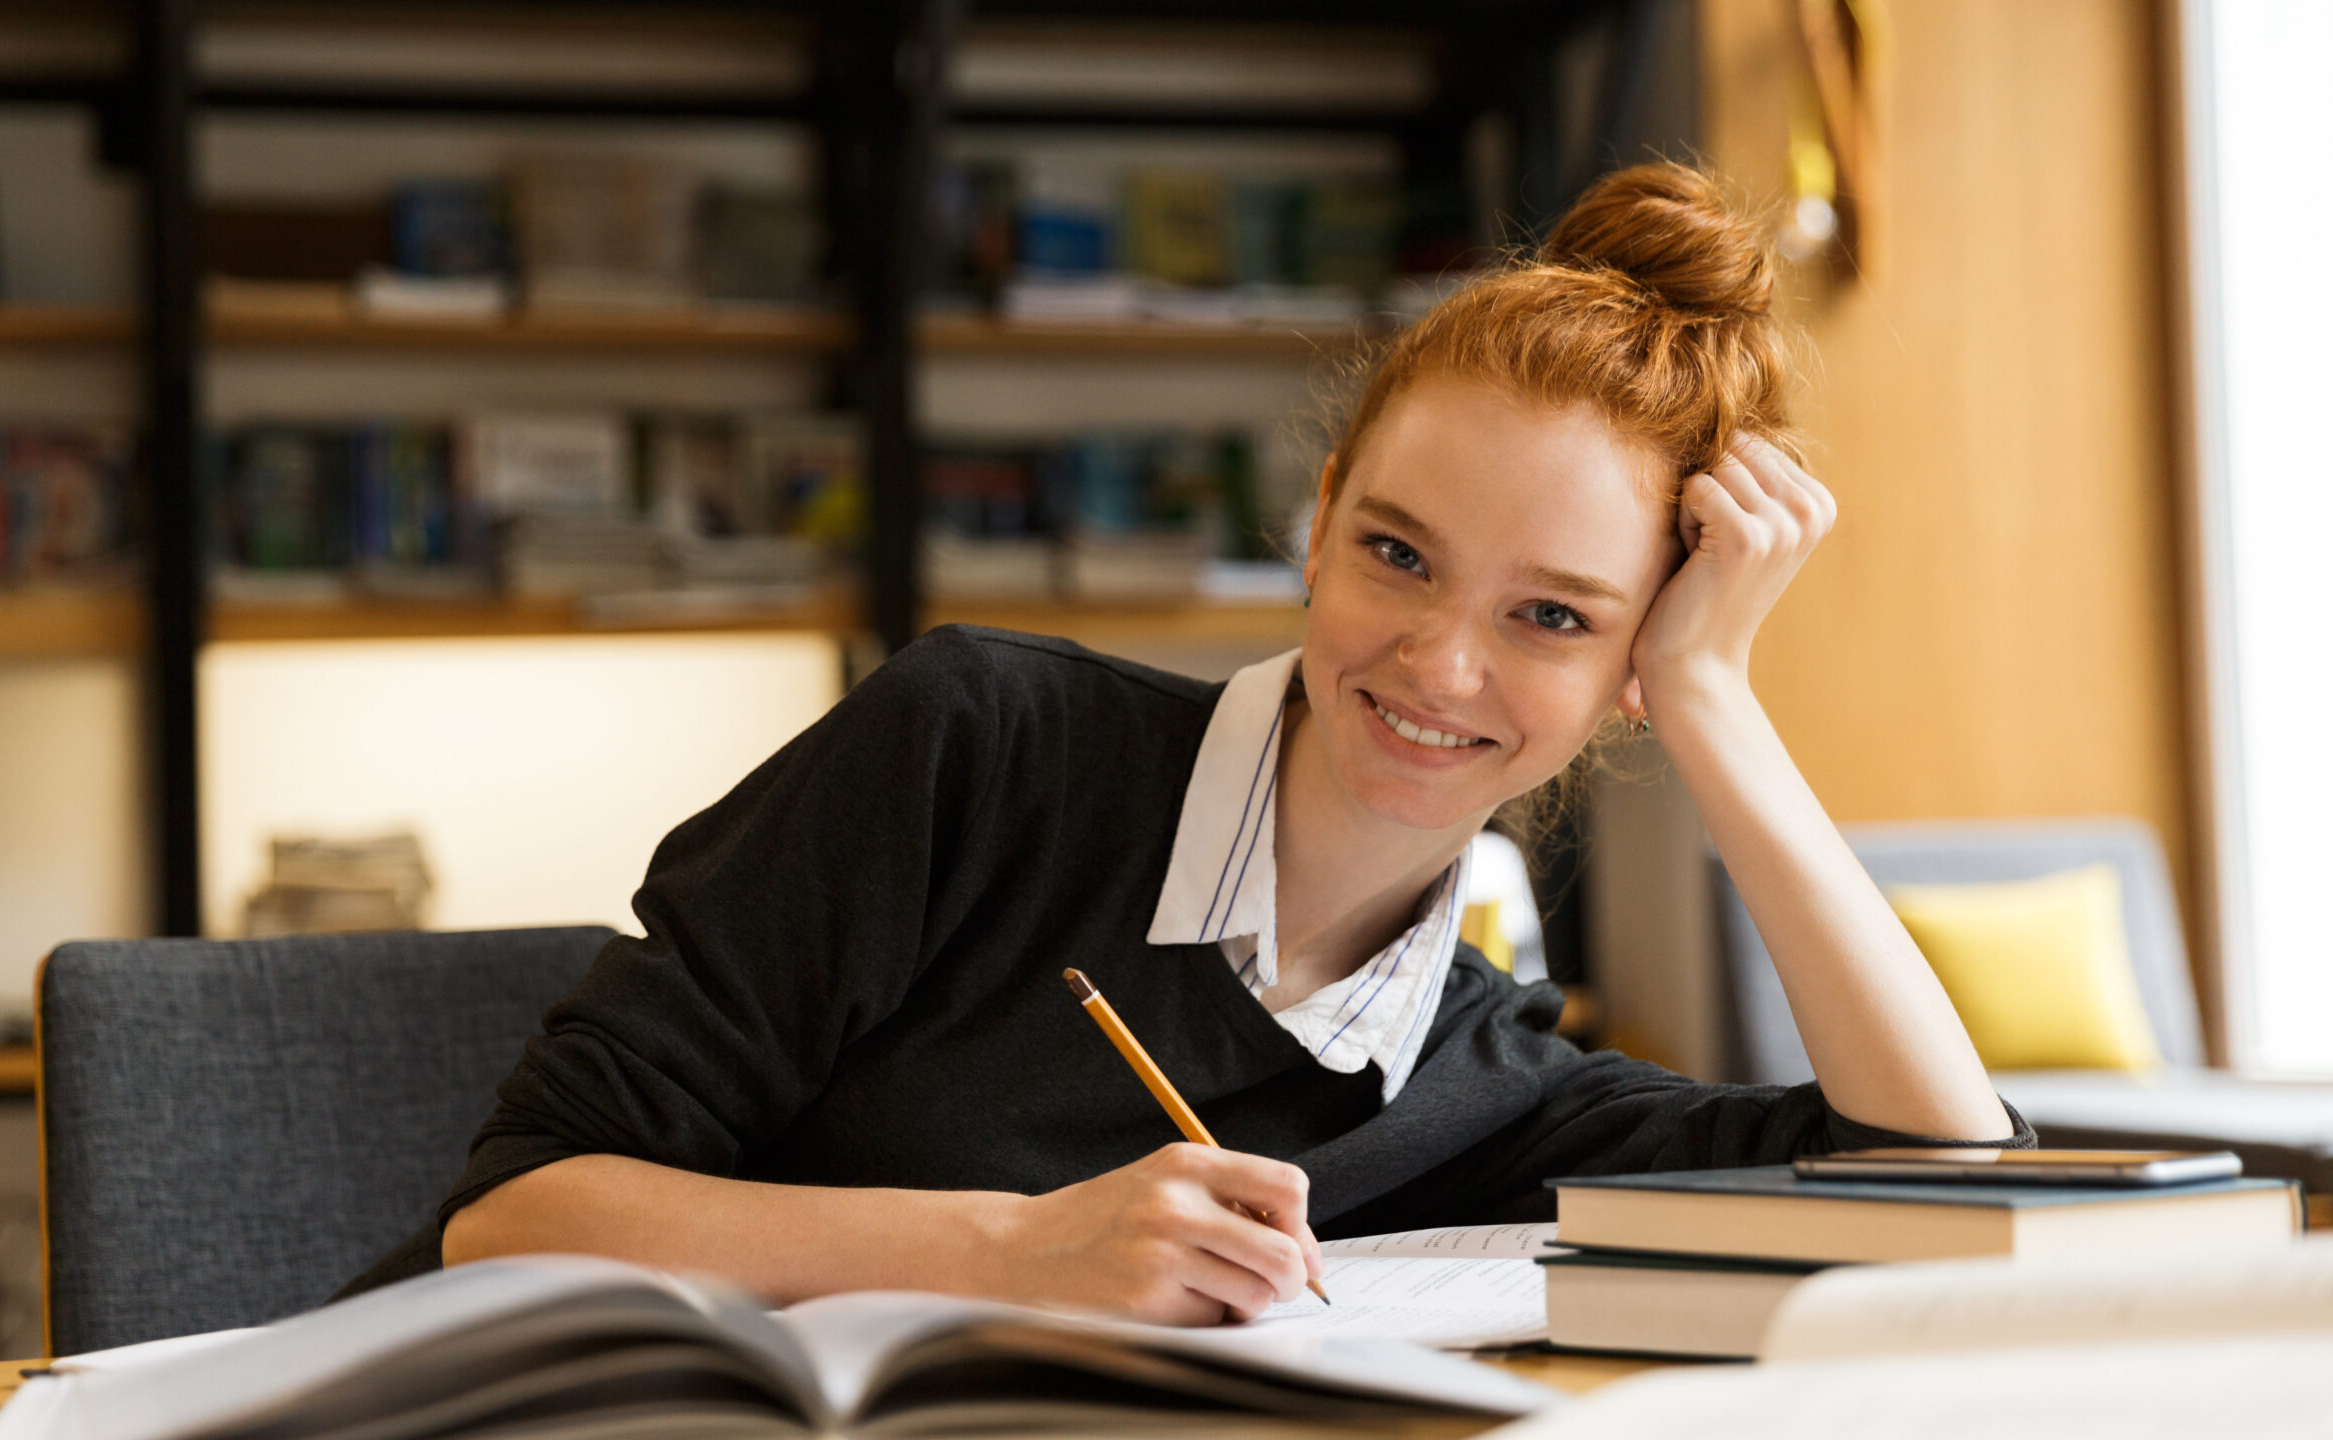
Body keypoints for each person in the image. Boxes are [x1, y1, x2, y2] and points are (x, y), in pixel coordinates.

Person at [352, 162, 2026, 1325]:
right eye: (1397, 554)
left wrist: (1720, 701)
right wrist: (1012, 1248)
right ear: (1314, 533)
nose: (1438, 660)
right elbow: (517, 1220)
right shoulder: (978, 749)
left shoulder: (1477, 1081)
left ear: (1633, 670)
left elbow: (1941, 1179)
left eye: (1556, 618)